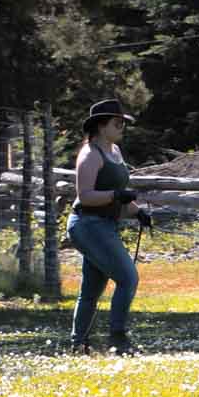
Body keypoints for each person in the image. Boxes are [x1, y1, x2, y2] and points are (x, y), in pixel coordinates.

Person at [67, 99, 151, 355]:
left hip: (105, 225)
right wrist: (116, 195)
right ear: (102, 126)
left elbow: (121, 197)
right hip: (87, 225)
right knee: (128, 278)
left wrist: (138, 213)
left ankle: (77, 344)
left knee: (91, 289)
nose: (122, 127)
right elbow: (86, 196)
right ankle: (118, 339)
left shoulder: (115, 152)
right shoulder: (90, 155)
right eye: (117, 123)